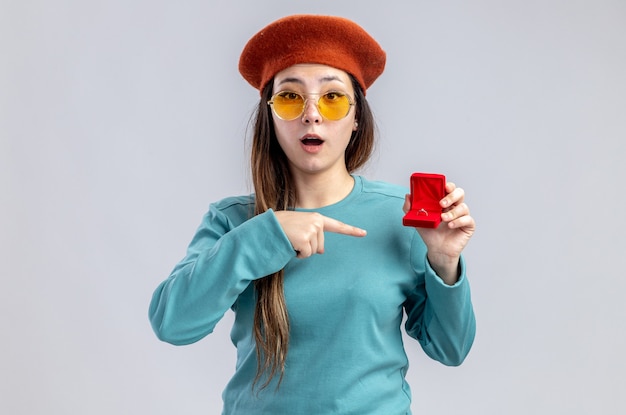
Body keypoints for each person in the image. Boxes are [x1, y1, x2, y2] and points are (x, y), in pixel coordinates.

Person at [149, 14, 476, 414]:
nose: (312, 113)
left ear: (357, 118)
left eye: (333, 97)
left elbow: (450, 349)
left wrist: (444, 262)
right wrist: (264, 236)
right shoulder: (233, 220)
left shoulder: (399, 216)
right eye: (289, 97)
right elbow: (172, 324)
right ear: (270, 115)